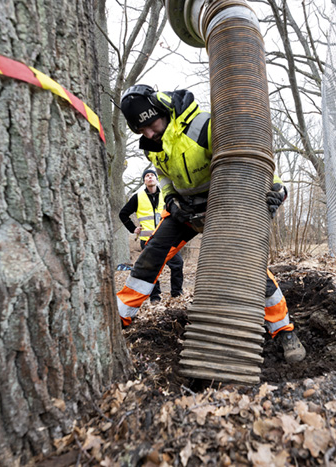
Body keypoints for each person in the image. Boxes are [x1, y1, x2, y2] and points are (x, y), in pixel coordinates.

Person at [116, 84, 306, 363]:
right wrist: (170, 201)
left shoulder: (204, 127)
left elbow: (247, 157)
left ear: (162, 109)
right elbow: (165, 178)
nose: (149, 134)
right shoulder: (152, 146)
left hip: (224, 205)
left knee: (250, 265)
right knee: (151, 256)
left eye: (151, 124)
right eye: (140, 131)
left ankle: (283, 331)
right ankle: (119, 319)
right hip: (185, 211)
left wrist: (276, 189)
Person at [119, 167, 184, 303]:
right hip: (148, 240)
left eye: (152, 175)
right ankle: (155, 297)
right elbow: (123, 214)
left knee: (177, 264)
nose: (150, 177)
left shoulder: (166, 194)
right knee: (152, 269)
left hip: (168, 238)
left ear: (156, 179)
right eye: (147, 176)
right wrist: (133, 229)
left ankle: (176, 294)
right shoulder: (138, 197)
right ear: (144, 180)